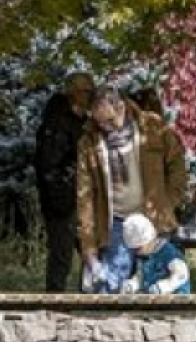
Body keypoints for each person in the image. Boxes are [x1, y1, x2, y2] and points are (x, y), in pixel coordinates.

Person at [74, 85, 188, 294]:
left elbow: (177, 165)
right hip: (116, 222)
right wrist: (89, 249)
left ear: (122, 107)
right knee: (110, 286)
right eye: (99, 123)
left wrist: (169, 203)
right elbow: (85, 197)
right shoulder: (89, 143)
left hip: (153, 217)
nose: (106, 127)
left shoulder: (152, 127)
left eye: (110, 121)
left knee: (161, 279)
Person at [35, 71, 96, 292]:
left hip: (81, 196)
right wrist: (62, 197)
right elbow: (49, 165)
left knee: (91, 252)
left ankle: (90, 298)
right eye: (86, 91)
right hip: (63, 199)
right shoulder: (57, 123)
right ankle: (54, 302)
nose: (90, 96)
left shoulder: (84, 122)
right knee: (62, 254)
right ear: (73, 93)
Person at [119, 214, 192, 295]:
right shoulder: (144, 255)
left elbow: (182, 274)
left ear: (148, 240)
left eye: (138, 249)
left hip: (176, 298)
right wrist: (132, 284)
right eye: (133, 250)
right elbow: (141, 275)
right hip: (154, 298)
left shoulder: (168, 253)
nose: (136, 252)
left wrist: (163, 286)